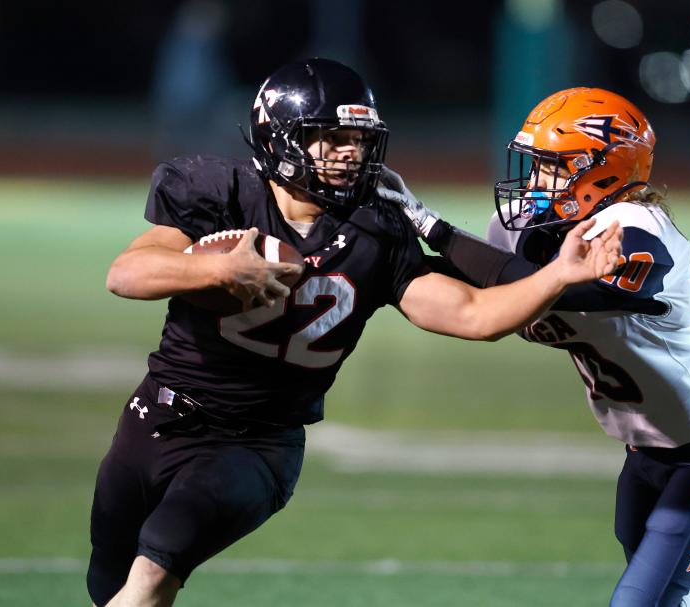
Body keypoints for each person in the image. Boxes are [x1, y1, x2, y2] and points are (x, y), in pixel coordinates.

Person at [87, 60, 623, 607]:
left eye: (360, 140)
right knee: (108, 584)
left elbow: (473, 316)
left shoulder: (377, 228)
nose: (351, 154)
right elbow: (126, 275)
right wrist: (220, 270)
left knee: (153, 571)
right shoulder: (218, 191)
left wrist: (559, 274)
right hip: (157, 415)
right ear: (281, 139)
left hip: (255, 444)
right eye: (332, 138)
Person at [378, 87, 690, 607]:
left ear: (602, 170)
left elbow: (546, 284)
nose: (533, 183)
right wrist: (380, 235)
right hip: (644, 450)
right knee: (666, 601)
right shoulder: (534, 232)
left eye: (551, 167)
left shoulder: (634, 232)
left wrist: (430, 225)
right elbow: (487, 286)